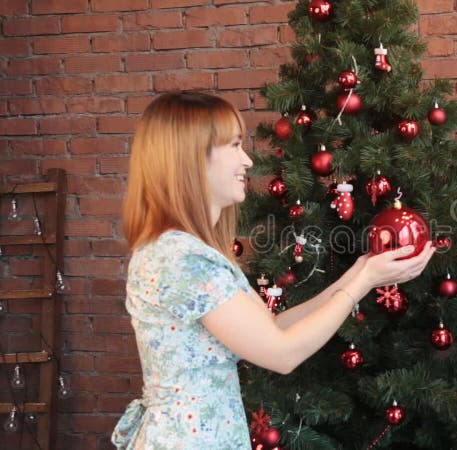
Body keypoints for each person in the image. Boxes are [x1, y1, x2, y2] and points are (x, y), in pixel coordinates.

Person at [111, 92, 435, 449]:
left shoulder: (187, 251)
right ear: (192, 158)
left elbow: (271, 329)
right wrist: (364, 282)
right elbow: (282, 354)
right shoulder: (181, 259)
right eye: (234, 145)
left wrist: (359, 272)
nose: (247, 161)